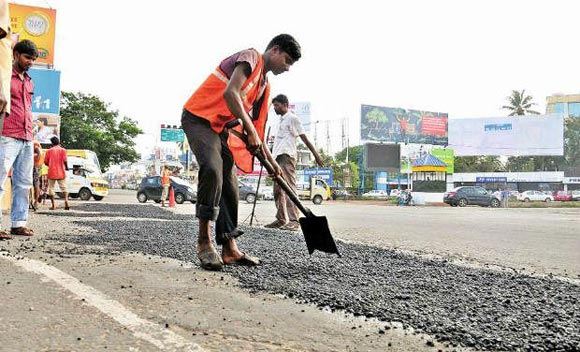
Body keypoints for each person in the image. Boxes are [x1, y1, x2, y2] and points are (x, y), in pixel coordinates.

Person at [181, 34, 301, 270]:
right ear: (274, 50)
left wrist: (272, 164)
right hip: (198, 118)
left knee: (230, 183)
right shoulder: (251, 58)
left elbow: (255, 129)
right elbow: (231, 93)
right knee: (213, 169)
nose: (287, 68)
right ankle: (204, 242)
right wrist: (248, 129)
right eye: (286, 61)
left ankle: (229, 248)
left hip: (218, 128)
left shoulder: (264, 87)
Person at [264, 94, 323, 231]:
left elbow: (304, 138)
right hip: (277, 157)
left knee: (289, 188)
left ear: (285, 105)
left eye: (277, 105)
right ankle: (281, 219)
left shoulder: (292, 118)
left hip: (287, 156)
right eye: (274, 106)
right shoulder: (280, 121)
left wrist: (316, 155)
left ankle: (294, 220)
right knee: (277, 190)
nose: (275, 108)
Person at [0, 40, 37, 239]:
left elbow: (28, 109)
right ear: (15, 54)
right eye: (27, 57)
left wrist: (33, 134)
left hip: (27, 136)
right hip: (6, 134)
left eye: (33, 59)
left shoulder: (30, 81)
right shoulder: (4, 77)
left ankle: (18, 224)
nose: (30, 61)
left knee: (23, 182)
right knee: (0, 180)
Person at [44, 136, 69, 210]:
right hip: (61, 172)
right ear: (59, 142)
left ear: (52, 143)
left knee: (51, 188)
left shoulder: (49, 151)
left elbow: (45, 162)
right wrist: (66, 167)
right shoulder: (63, 150)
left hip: (51, 172)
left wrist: (51, 164)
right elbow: (65, 161)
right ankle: (66, 201)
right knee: (64, 187)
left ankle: (53, 205)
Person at [32, 139, 43, 209]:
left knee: (36, 184)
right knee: (36, 184)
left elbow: (39, 152)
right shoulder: (34, 142)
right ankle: (35, 200)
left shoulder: (34, 143)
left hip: (34, 166)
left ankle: (35, 202)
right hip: (37, 166)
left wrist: (33, 158)